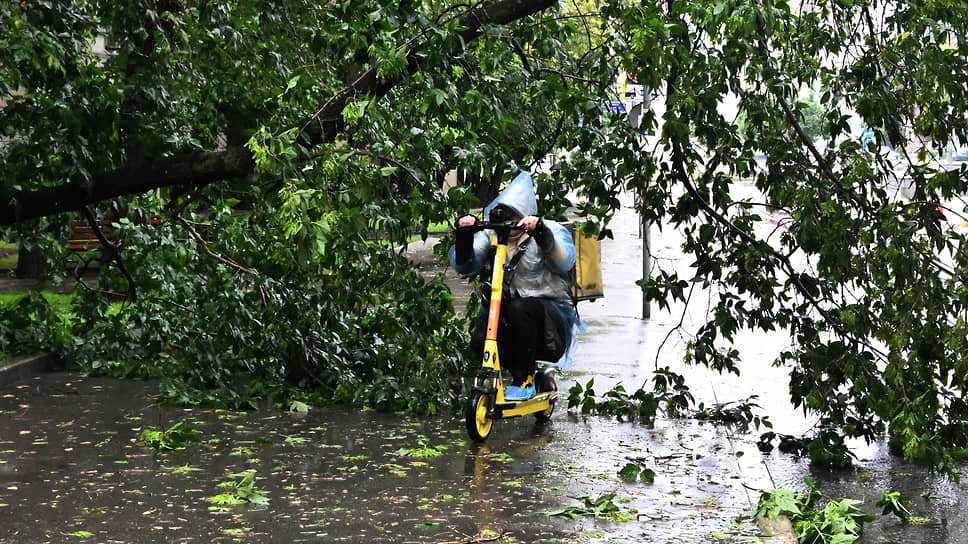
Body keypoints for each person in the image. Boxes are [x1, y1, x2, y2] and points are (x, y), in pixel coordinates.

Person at [449, 172, 583, 401]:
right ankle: (508, 376)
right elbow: (465, 264)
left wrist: (540, 232)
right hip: (509, 312)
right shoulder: (493, 235)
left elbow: (564, 261)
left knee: (521, 308)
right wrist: (464, 234)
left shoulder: (547, 229)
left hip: (549, 319)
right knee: (481, 338)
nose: (508, 221)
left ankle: (525, 379)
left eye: (513, 214)